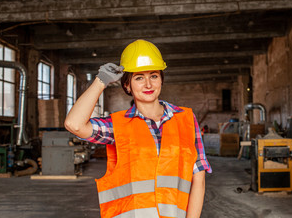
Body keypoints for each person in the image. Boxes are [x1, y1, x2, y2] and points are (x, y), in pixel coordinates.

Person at [65, 39, 212, 218]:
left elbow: (199, 176)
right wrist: (101, 81)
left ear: (161, 80)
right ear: (127, 85)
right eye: (139, 77)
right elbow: (74, 124)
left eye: (154, 76)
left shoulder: (185, 118)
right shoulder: (117, 125)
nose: (148, 84)